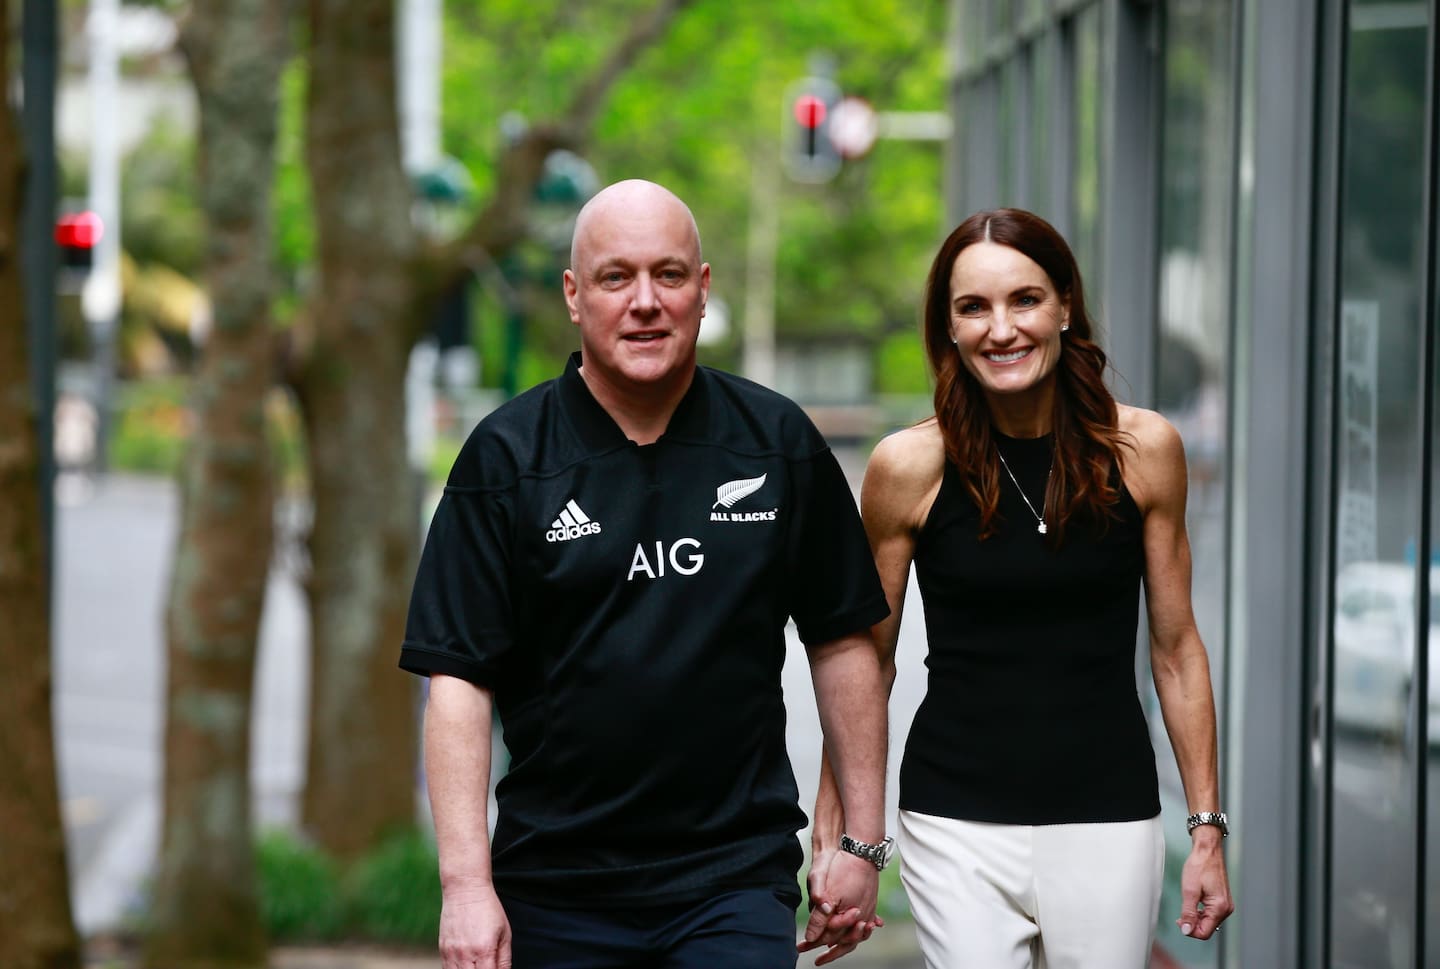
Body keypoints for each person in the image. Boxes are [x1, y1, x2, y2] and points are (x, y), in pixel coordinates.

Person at [400, 179, 893, 969]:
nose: (644, 302)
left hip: (732, 881)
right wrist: (465, 883)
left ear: (702, 289)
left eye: (668, 275)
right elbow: (458, 682)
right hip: (555, 887)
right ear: (572, 294)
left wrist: (862, 844)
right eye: (614, 277)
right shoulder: (506, 458)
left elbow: (842, 642)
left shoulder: (777, 443)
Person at [817, 207, 1235, 968]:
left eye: (1025, 299)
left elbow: (1176, 651)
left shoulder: (1145, 451)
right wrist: (843, 829)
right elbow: (865, 662)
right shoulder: (907, 466)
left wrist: (1207, 827)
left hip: (1109, 811)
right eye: (972, 307)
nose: (1000, 328)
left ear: (1065, 307)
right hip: (953, 817)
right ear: (947, 327)